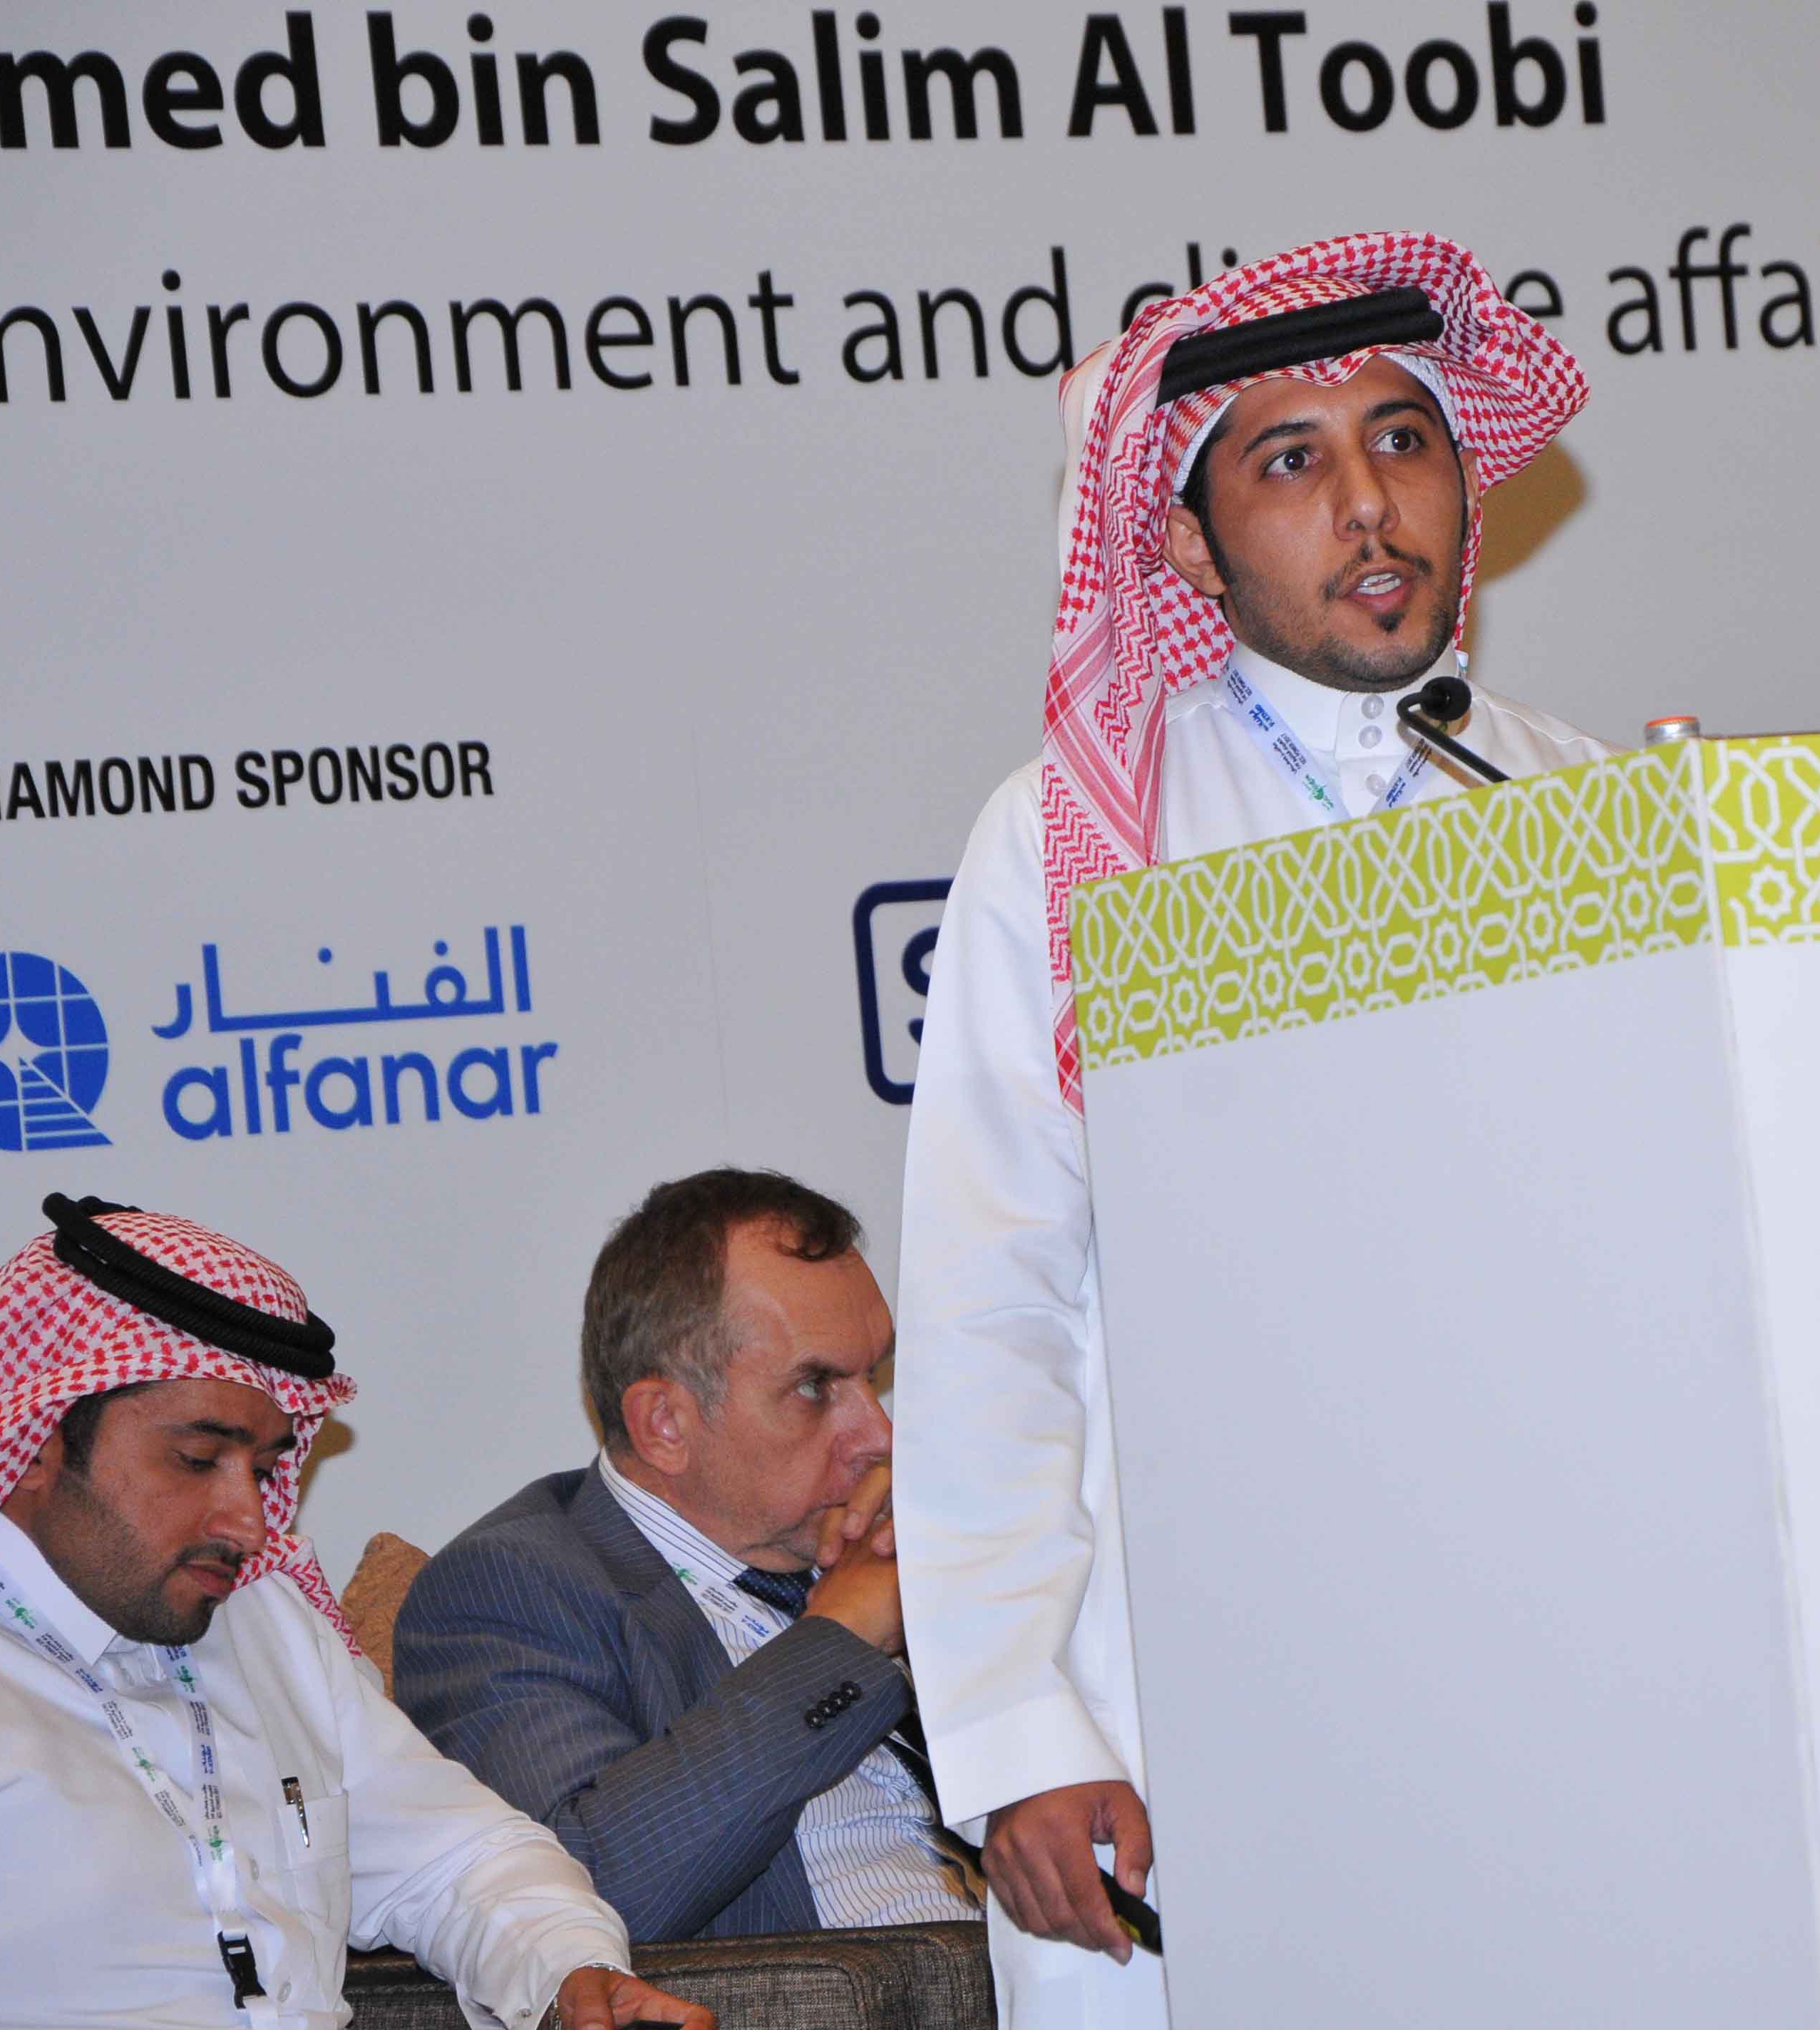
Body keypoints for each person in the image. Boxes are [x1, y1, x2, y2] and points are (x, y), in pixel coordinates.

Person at [895, 231, 1608, 2027]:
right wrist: (1019, 1725)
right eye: (1292, 461)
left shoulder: (1581, 796)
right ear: (1193, 540)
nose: (1369, 504)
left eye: (1403, 439)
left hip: (1553, 1669)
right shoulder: (1081, 831)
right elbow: (993, 1299)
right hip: (1189, 1696)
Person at [0, 1192, 709, 2030]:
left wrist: (571, 1971)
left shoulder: (268, 1626)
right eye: (197, 1460)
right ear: (36, 1442)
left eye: (266, 1470)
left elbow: (459, 1859)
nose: (250, 1522)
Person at [393, 1168, 978, 1941]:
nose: (879, 1435)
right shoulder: (510, 1590)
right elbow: (585, 1903)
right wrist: (842, 1640)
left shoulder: (898, 1532)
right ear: (665, 1423)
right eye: (815, 1387)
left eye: (873, 1377)